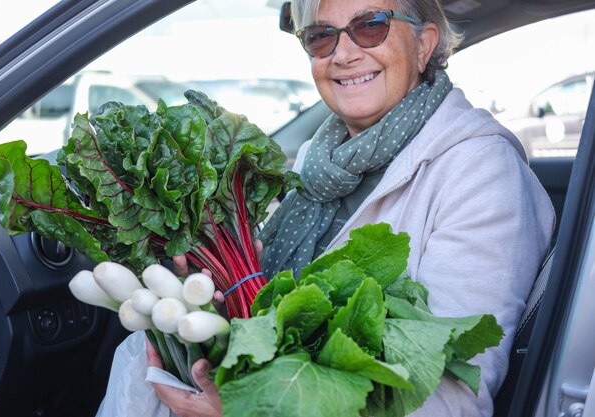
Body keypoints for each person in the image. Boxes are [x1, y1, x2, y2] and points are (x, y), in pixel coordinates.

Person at [144, 0, 555, 416]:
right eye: (321, 37)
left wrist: (248, 410)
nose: (342, 54)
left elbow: (448, 400)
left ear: (424, 44)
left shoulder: (481, 172)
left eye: (371, 25)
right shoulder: (316, 160)